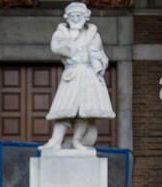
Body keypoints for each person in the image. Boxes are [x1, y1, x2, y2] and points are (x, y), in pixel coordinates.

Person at [40, 2, 115, 151]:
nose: (75, 18)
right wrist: (72, 37)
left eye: (79, 15)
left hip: (89, 75)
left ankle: (77, 140)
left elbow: (102, 55)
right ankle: (55, 140)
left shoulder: (94, 35)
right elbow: (57, 47)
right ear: (67, 17)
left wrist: (101, 64)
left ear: (85, 17)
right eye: (72, 15)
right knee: (64, 109)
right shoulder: (62, 33)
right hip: (72, 74)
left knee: (84, 112)